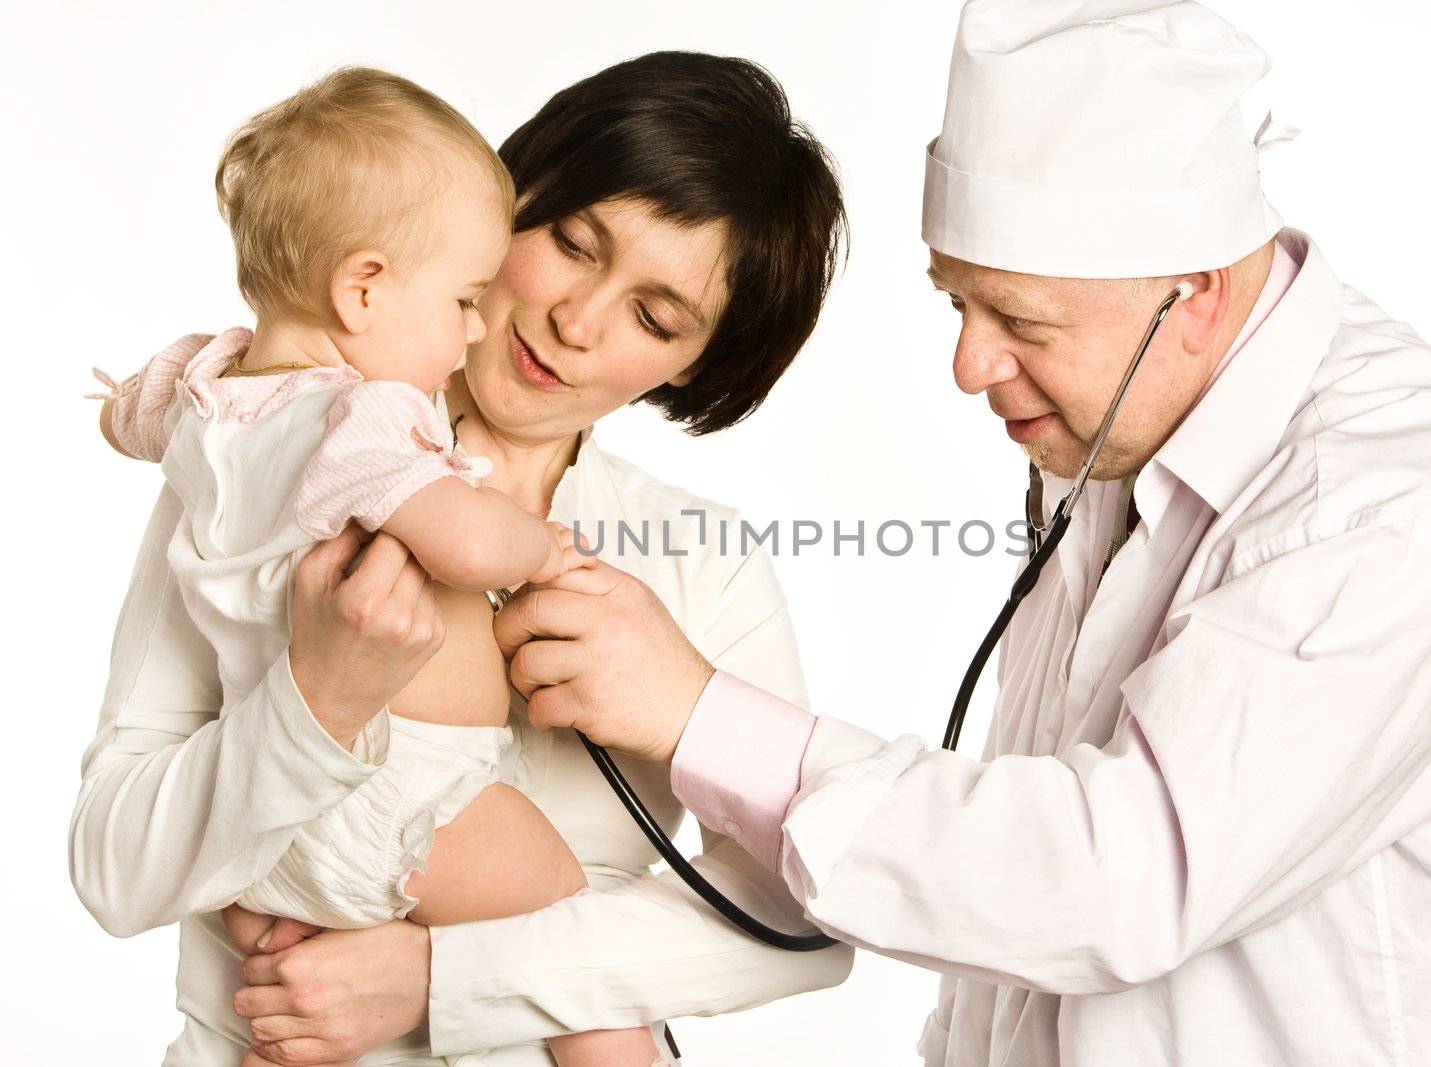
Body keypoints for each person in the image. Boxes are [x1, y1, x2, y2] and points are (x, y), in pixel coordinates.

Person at [484, 4, 1431, 1065]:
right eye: (958, 303)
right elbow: (1017, 945)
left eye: (1018, 320)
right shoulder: (1117, 444)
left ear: (1192, 295)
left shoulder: (1403, 505)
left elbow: (1109, 876)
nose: (968, 366)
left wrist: (694, 714)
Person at [70, 52, 851, 1066]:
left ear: (694, 362)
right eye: (572, 242)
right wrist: (314, 702)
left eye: (656, 316)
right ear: (510, 200)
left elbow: (801, 924)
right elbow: (111, 865)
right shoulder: (277, 456)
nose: (576, 321)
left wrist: (445, 982)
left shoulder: (702, 564)